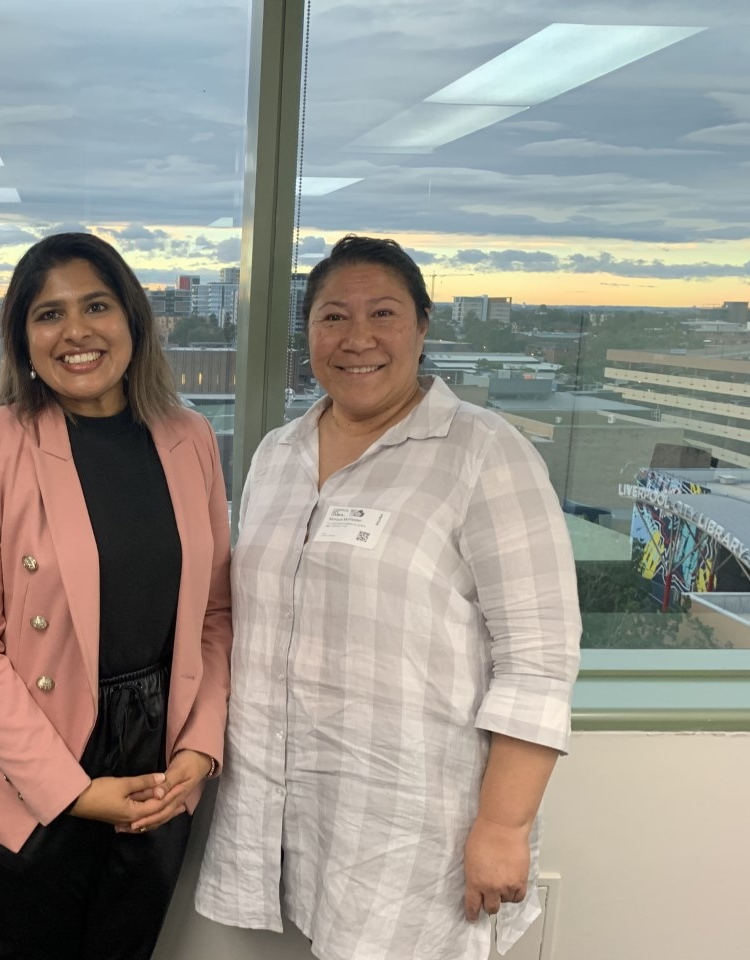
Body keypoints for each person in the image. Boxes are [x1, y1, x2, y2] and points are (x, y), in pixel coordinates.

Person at [195, 235, 581, 959]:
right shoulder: (277, 454)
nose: (358, 338)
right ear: (307, 334)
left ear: (423, 326)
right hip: (296, 808)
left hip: (416, 820)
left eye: (384, 314)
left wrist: (502, 829)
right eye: (333, 317)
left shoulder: (484, 453)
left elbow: (538, 661)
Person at [0, 232, 233, 960]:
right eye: (48, 314)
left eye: (95, 305)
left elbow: (216, 616)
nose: (76, 332)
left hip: (159, 750)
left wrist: (201, 747)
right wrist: (70, 789)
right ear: (22, 340)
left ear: (132, 318)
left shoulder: (189, 438)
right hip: (30, 747)